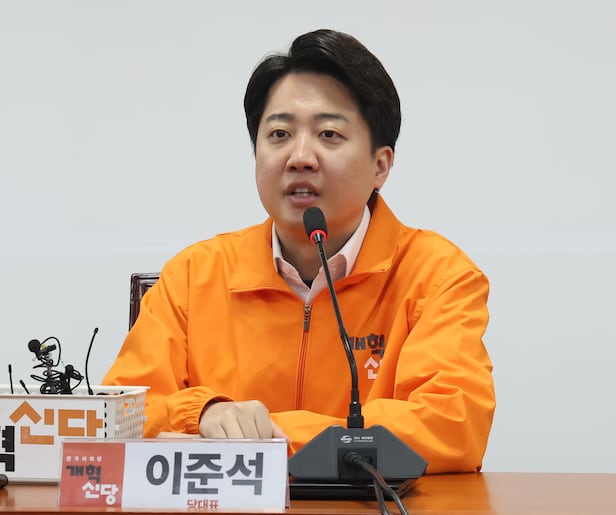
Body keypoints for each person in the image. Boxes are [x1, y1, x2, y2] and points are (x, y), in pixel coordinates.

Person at [103, 29, 495, 474]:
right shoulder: (194, 276)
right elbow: (120, 417)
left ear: (380, 165)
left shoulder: (437, 276)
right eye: (279, 134)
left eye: (329, 134)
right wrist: (203, 413)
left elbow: (452, 426)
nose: (300, 157)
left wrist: (270, 438)